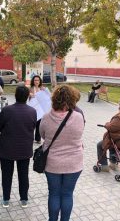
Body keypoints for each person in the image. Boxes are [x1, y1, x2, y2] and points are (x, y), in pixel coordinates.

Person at [40, 85, 84, 221]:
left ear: (54, 99)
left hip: (52, 163)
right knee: (67, 194)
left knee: (54, 194)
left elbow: (42, 135)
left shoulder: (46, 117)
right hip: (74, 163)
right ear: (72, 100)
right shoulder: (78, 116)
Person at [0, 86, 36, 208]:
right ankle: (24, 199)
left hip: (7, 147)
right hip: (24, 147)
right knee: (23, 174)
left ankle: (6, 199)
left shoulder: (7, 110)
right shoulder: (32, 111)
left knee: (6, 174)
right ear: (27, 96)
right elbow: (32, 127)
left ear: (15, 95)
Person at [96, 98, 120, 172]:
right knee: (112, 144)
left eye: (119, 105)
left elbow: (111, 128)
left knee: (100, 145)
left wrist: (106, 124)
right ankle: (113, 164)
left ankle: (104, 166)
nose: (118, 107)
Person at [29, 75, 45, 144]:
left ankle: (38, 139)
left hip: (40, 110)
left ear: (40, 81)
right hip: (32, 109)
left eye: (38, 80)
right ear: (33, 81)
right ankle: (30, 138)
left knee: (39, 124)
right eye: (35, 80)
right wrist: (29, 95)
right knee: (32, 124)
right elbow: (27, 96)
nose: (36, 81)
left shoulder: (42, 89)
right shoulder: (30, 88)